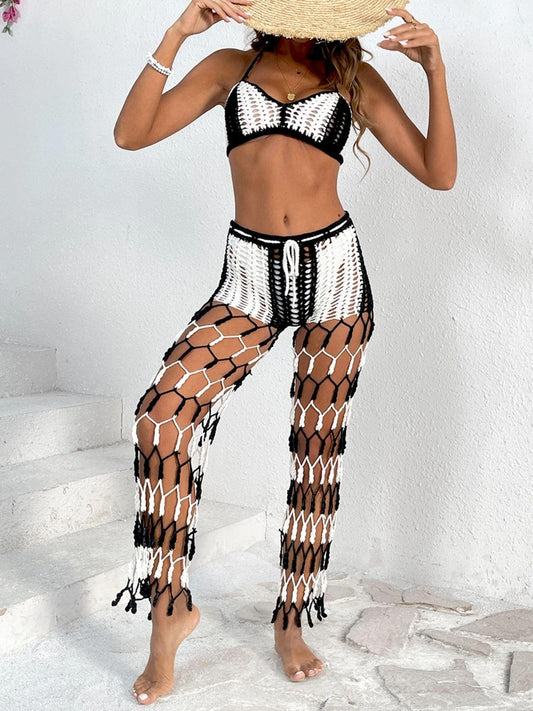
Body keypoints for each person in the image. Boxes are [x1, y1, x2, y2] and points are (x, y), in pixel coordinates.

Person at [111, 0, 456, 704]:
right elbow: (130, 134)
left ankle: (291, 619)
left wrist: (435, 72)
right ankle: (169, 609)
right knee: (161, 417)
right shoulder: (229, 68)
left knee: (316, 453)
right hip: (248, 278)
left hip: (335, 276)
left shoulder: (354, 80)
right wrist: (175, 35)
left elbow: (438, 172)